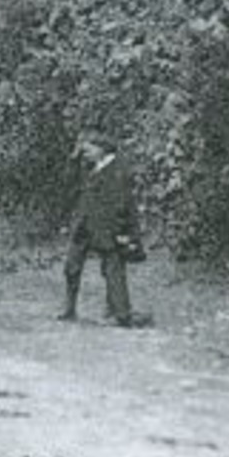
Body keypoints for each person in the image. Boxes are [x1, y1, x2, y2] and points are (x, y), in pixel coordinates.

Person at [59, 138, 152, 328]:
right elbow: (68, 184)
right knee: (71, 267)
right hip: (83, 225)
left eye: (88, 149)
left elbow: (123, 204)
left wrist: (122, 231)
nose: (84, 153)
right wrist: (73, 159)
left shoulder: (120, 169)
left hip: (109, 226)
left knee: (113, 269)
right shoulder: (87, 166)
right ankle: (69, 309)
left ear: (102, 149)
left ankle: (122, 314)